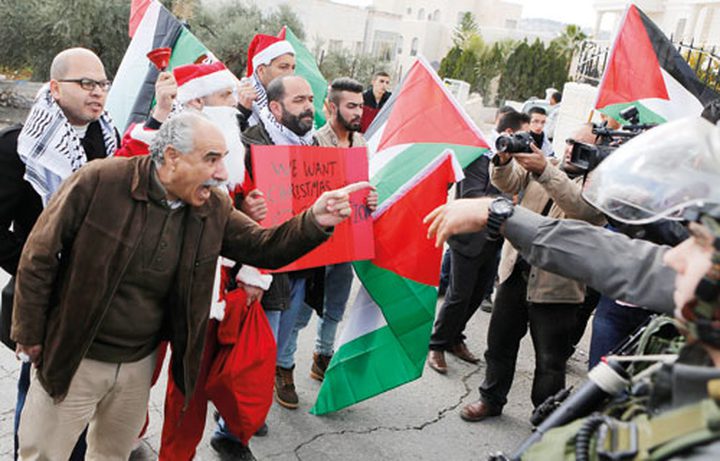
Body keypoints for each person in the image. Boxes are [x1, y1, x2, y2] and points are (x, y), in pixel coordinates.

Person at [11, 111, 368, 460]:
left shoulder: (213, 207)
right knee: (45, 453)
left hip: (138, 363)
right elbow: (38, 255)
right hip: (74, 355)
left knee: (112, 453)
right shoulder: (100, 181)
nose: (222, 174)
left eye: (223, 159)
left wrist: (314, 220)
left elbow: (263, 247)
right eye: (211, 159)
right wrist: (29, 334)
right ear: (171, 157)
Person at [0, 47, 161, 461]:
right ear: (54, 88)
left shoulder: (107, 140)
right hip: (47, 299)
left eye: (102, 84)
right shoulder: (18, 147)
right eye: (85, 83)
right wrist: (44, 268)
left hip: (102, 297)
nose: (97, 92)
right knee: (40, 397)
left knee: (89, 395)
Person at [456, 123, 605, 423]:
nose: (570, 149)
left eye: (580, 145)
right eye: (569, 141)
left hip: (558, 284)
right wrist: (503, 159)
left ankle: (546, 416)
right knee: (499, 344)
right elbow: (506, 183)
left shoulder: (600, 185)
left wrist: (544, 172)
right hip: (515, 271)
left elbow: (582, 209)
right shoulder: (547, 165)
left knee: (551, 360)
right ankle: (490, 398)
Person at [283, 77, 378, 384]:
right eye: (351, 106)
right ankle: (283, 365)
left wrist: (370, 197)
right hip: (316, 239)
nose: (358, 113)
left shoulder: (361, 143)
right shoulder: (312, 141)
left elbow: (364, 185)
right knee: (302, 306)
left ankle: (323, 356)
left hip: (349, 238)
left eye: (360, 106)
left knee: (336, 301)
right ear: (330, 107)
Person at [426, 110, 530, 374]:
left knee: (476, 296)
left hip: (495, 239)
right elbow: (472, 195)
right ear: (509, 134)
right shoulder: (479, 155)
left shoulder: (517, 160)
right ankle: (436, 344)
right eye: (525, 133)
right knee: (459, 296)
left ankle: (455, 338)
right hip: (469, 238)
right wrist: (510, 201)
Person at [237, 33, 296, 130]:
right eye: (283, 67)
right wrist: (242, 111)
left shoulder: (289, 98)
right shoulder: (237, 97)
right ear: (261, 70)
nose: (290, 74)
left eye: (293, 68)